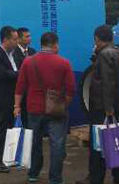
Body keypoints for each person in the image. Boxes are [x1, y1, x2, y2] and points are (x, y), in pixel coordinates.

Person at [15, 32, 75, 184]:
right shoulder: (64, 63)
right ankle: (55, 178)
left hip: (34, 109)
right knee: (57, 144)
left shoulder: (28, 62)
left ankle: (33, 173)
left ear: (41, 44)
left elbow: (20, 86)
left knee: (35, 142)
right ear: (55, 44)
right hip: (56, 110)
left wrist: (17, 106)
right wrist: (63, 105)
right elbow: (70, 89)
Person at [76, 25, 119, 184]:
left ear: (97, 39)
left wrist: (108, 108)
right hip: (116, 106)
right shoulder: (118, 52)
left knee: (98, 145)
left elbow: (107, 82)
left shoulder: (105, 55)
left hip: (102, 109)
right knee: (116, 142)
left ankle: (95, 177)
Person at [0, 25, 20, 173]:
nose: (16, 42)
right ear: (6, 40)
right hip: (4, 98)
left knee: (10, 129)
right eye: (14, 39)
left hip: (13, 97)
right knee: (2, 129)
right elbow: (2, 74)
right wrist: (20, 74)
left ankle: (7, 158)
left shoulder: (13, 54)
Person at [14, 27, 37, 127]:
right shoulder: (13, 53)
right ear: (19, 39)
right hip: (20, 91)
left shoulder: (33, 52)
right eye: (27, 36)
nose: (30, 38)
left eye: (30, 36)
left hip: (32, 92)